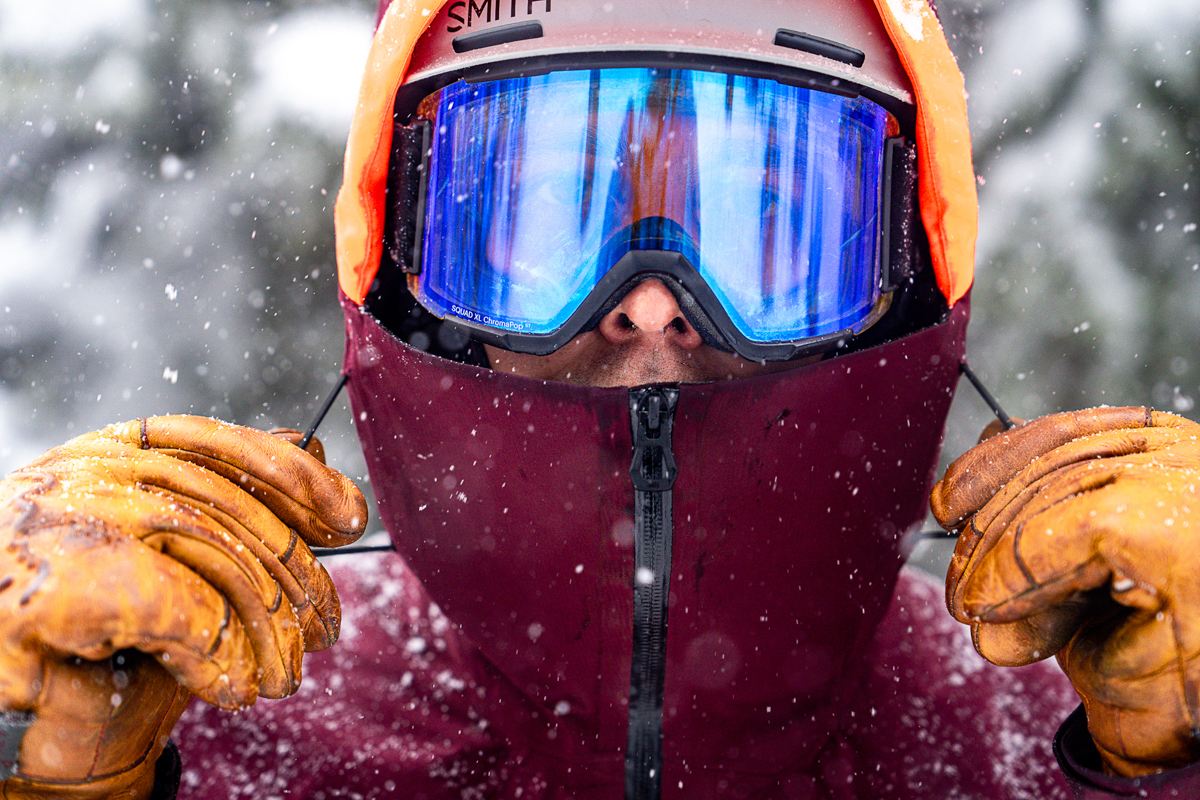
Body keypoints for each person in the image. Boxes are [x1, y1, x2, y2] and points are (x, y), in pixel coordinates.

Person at [1, 0, 1199, 798]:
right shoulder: (201, 718)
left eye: (770, 223)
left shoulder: (1073, 729)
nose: (651, 302)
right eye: (537, 217)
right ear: (403, 274)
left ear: (908, 286)